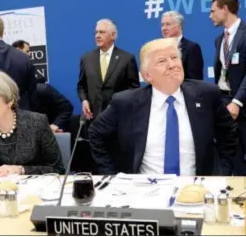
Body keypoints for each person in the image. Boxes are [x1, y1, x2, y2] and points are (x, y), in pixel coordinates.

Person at [89, 38, 237, 175]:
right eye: (162, 61)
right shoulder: (125, 102)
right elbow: (96, 134)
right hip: (145, 191)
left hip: (196, 190)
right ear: (147, 75)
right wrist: (111, 176)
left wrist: (222, 172)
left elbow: (228, 134)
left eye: (174, 58)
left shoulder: (206, 95)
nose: (172, 65)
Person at [210, 0, 246, 176]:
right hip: (225, 100)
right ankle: (240, 194)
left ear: (225, 9)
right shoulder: (219, 40)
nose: (210, 16)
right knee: (233, 154)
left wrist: (237, 102)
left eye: (213, 11)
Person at [77, 19, 140, 121]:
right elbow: (81, 86)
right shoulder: (86, 59)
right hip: (94, 117)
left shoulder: (127, 58)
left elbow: (134, 89)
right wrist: (84, 100)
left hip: (119, 117)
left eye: (102, 32)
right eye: (96, 32)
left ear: (113, 35)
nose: (97, 36)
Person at [161, 11, 204, 80]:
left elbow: (194, 81)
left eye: (168, 24)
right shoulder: (160, 49)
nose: (164, 28)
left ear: (179, 27)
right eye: (162, 25)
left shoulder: (191, 48)